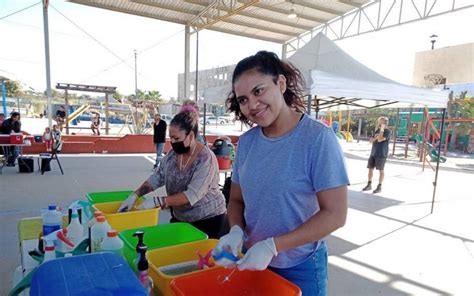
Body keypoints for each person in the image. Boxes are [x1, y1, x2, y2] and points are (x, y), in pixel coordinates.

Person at [212, 51, 349, 296]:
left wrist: (274, 246)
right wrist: (235, 231)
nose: (252, 105)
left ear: (281, 83)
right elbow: (236, 200)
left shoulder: (317, 138)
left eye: (259, 91)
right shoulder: (246, 143)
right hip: (253, 260)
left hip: (301, 264)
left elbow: (335, 214)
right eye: (243, 99)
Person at [118, 110, 227, 239]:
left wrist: (158, 201)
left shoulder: (205, 159)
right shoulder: (172, 156)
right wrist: (135, 195)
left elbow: (192, 195)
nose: (173, 142)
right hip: (180, 217)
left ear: (191, 136)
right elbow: (156, 178)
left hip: (207, 219)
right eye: (171, 138)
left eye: (177, 138)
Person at [362, 116, 391, 194]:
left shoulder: (387, 131)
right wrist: (376, 137)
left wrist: (381, 131)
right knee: (370, 168)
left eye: (381, 122)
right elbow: (371, 141)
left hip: (381, 153)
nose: (379, 123)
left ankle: (379, 186)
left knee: (381, 170)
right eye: (379, 121)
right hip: (373, 152)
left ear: (385, 123)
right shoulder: (377, 130)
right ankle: (369, 184)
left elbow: (380, 139)